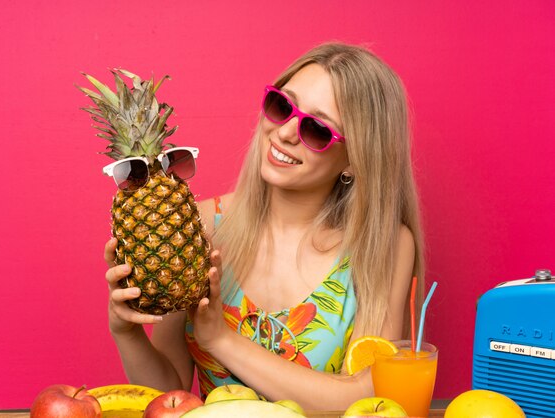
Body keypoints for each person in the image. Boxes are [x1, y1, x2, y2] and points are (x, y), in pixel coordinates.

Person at [104, 42, 425, 410]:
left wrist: (222, 340)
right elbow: (170, 398)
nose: (285, 132)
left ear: (356, 159)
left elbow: (367, 396)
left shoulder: (383, 246)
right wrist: (126, 331)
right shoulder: (202, 226)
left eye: (318, 130)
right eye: (282, 106)